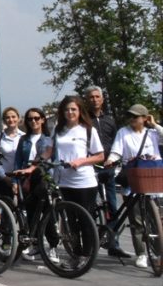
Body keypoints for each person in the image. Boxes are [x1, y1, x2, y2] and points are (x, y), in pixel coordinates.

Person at [26, 95, 104, 262]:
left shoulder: (88, 130)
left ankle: (86, 255)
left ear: (80, 111)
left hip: (84, 181)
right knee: (70, 220)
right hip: (64, 181)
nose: (70, 112)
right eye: (67, 109)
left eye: (73, 109)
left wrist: (81, 161)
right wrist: (35, 164)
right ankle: (75, 254)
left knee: (85, 219)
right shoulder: (58, 130)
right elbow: (49, 151)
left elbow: (99, 156)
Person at [105, 104, 161, 269]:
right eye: (130, 116)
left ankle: (157, 252)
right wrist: (111, 160)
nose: (132, 119)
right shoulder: (123, 132)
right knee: (137, 220)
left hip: (152, 179)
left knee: (156, 220)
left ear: (144, 118)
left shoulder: (153, 133)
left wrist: (155, 124)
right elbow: (116, 150)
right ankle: (141, 253)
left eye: (135, 117)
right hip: (133, 178)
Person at [84, 84, 125, 256]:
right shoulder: (84, 121)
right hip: (91, 169)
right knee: (91, 207)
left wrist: (115, 161)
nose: (94, 100)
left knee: (112, 207)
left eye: (97, 97)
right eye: (91, 97)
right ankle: (91, 242)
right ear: (87, 100)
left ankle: (113, 243)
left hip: (109, 168)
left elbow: (116, 142)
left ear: (102, 99)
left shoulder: (110, 120)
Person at [13, 107, 53, 260]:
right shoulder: (24, 139)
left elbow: (52, 159)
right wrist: (15, 181)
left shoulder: (48, 138)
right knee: (31, 213)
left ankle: (53, 246)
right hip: (27, 179)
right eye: (30, 119)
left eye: (36, 118)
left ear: (43, 120)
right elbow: (18, 161)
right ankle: (35, 245)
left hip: (43, 178)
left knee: (48, 213)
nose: (33, 121)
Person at [0, 107, 23, 200]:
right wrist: (4, 177)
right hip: (4, 178)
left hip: (21, 177)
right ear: (4, 120)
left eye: (13, 117)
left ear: (18, 118)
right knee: (4, 206)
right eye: (7, 117)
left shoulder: (24, 136)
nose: (11, 119)